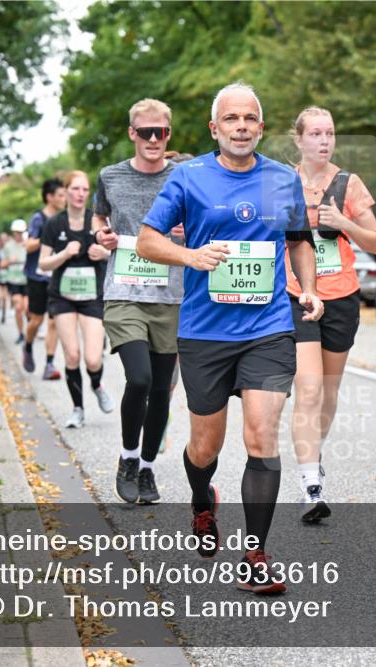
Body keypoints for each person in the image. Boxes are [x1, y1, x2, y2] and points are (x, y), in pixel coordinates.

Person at [137, 82, 323, 595]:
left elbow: (298, 241)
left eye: (250, 119)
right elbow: (149, 240)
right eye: (231, 119)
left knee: (261, 436)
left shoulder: (282, 180)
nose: (241, 126)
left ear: (260, 128)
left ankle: (256, 554)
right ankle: (202, 502)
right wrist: (190, 256)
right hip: (204, 333)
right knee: (205, 445)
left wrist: (308, 289)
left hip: (267, 328)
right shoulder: (189, 177)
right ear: (215, 128)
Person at [284, 106, 376, 522]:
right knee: (307, 388)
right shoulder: (283, 183)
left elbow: (375, 242)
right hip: (296, 295)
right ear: (299, 139)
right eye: (316, 134)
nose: (324, 141)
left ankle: (313, 456)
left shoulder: (348, 184)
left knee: (327, 391)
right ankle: (311, 484)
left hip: (341, 297)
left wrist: (343, 221)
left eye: (330, 134)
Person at [92, 98, 182, 506]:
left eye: (159, 132)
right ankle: (128, 458)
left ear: (168, 134)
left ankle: (147, 467)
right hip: (124, 291)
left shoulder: (184, 177)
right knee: (140, 378)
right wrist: (102, 236)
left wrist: (189, 228)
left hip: (171, 295)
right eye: (144, 132)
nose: (152, 139)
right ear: (132, 133)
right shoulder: (110, 176)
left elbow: (206, 219)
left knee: (162, 389)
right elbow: (100, 219)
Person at [39, 170, 114, 429]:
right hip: (63, 296)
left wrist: (102, 253)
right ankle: (78, 409)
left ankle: (97, 384)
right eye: (75, 189)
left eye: (84, 189)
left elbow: (114, 252)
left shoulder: (97, 221)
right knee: (72, 355)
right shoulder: (54, 224)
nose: (80, 194)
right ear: (66, 191)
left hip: (92, 295)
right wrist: (63, 254)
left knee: (93, 359)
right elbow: (43, 263)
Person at [23, 178, 65, 381]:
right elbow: (29, 245)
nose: (64, 199)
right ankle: (28, 345)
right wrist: (46, 238)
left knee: (54, 321)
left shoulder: (64, 218)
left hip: (56, 276)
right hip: (37, 276)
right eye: (60, 195)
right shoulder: (39, 218)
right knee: (37, 320)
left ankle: (49, 364)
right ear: (49, 197)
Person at [2, 220, 29, 344]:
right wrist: (9, 262)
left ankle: (31, 330)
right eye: (17, 232)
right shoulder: (8, 246)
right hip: (14, 280)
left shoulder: (29, 244)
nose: (19, 234)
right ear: (13, 232)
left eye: (21, 232)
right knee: (18, 307)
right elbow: (2, 264)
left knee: (28, 308)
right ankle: (21, 334)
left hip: (28, 280)